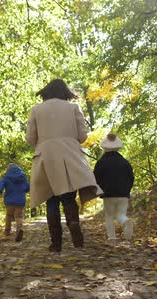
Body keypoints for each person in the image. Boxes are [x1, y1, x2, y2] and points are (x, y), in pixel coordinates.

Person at [25, 79, 102, 252]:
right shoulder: (73, 108)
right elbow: (83, 136)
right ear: (65, 92)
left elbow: (30, 138)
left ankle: (56, 242)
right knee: (68, 197)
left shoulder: (36, 110)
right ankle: (74, 225)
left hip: (46, 156)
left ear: (46, 92)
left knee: (51, 199)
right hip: (70, 155)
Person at [93, 133, 135, 245]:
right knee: (120, 214)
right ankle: (126, 221)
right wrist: (127, 190)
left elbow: (95, 178)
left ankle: (112, 239)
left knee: (109, 216)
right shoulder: (125, 162)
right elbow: (131, 177)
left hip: (108, 194)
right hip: (123, 194)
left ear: (104, 147)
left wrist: (98, 190)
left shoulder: (101, 162)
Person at [0, 163, 30, 242]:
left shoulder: (6, 177)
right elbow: (27, 188)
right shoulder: (23, 177)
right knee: (19, 216)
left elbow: (1, 184)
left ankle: (7, 232)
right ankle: (19, 230)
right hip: (20, 201)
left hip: (9, 201)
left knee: (9, 216)